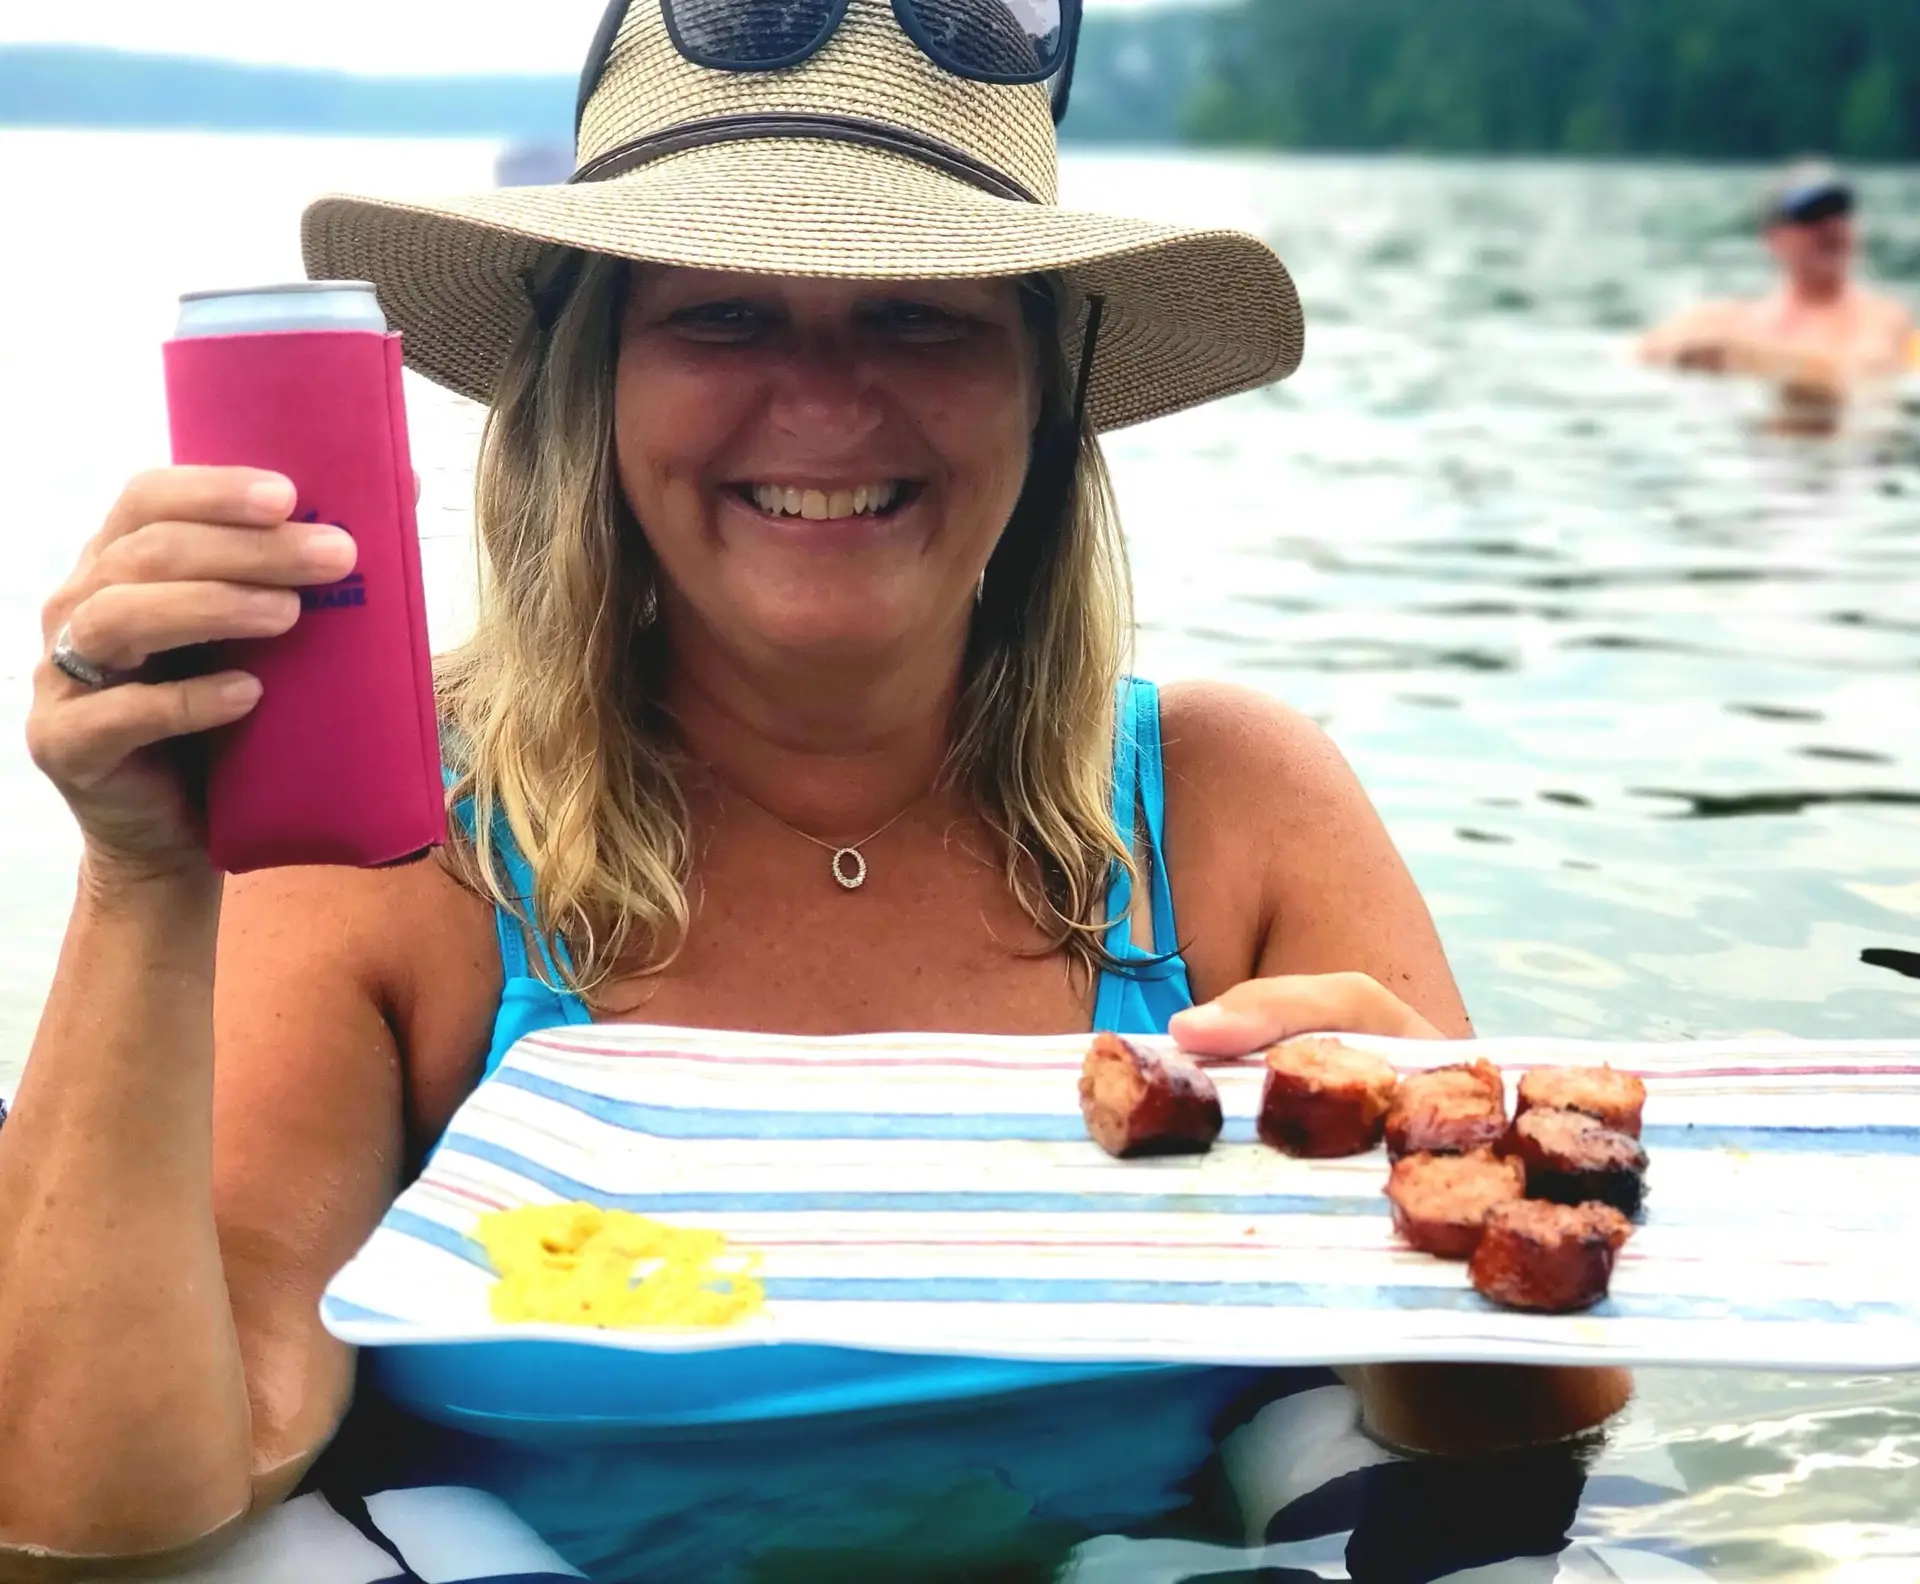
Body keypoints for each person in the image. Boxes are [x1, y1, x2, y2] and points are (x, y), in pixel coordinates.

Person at [0, 0, 1629, 1578]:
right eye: (723, 313)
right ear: (596, 383)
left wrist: (1424, 1195)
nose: (830, 403)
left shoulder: (1228, 809)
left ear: (1046, 393)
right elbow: (116, 1509)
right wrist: (142, 882)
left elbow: (1524, 1449)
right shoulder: (401, 851)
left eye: (922, 317)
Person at [1639, 159, 1916, 404]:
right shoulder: (1731, 319)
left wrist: (1747, 357)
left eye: (1839, 211)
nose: (1830, 226)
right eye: (1812, 215)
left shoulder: (1883, 318)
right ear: (1773, 237)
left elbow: (1864, 372)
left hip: (1848, 453)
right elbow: (1646, 353)